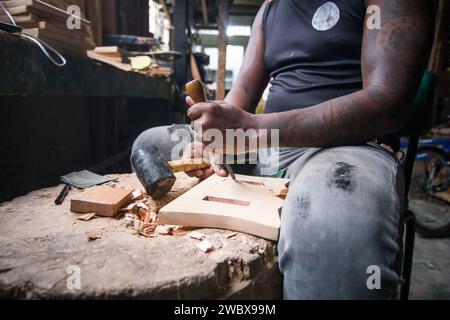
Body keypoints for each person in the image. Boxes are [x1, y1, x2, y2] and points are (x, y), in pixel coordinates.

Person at [132, 0, 434, 299]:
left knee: (332, 229)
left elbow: (387, 102)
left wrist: (256, 129)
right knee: (150, 144)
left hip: (347, 146)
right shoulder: (270, 8)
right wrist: (212, 138)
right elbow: (245, 91)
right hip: (266, 142)